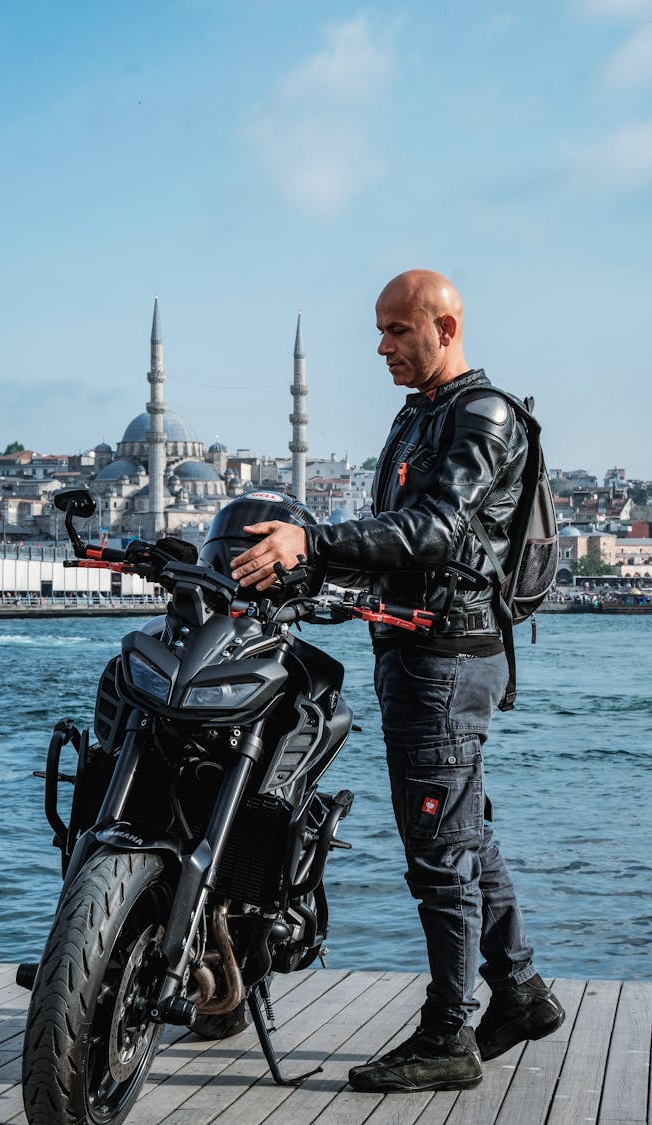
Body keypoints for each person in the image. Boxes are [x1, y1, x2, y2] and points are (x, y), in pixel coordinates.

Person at [230, 269, 564, 1094]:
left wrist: (310, 542)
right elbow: (399, 547)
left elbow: (435, 529)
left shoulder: (481, 416)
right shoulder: (421, 416)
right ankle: (517, 989)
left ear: (445, 328)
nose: (381, 347)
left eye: (397, 331)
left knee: (438, 854)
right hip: (419, 652)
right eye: (378, 331)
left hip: (448, 661)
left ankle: (448, 1033)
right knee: (464, 830)